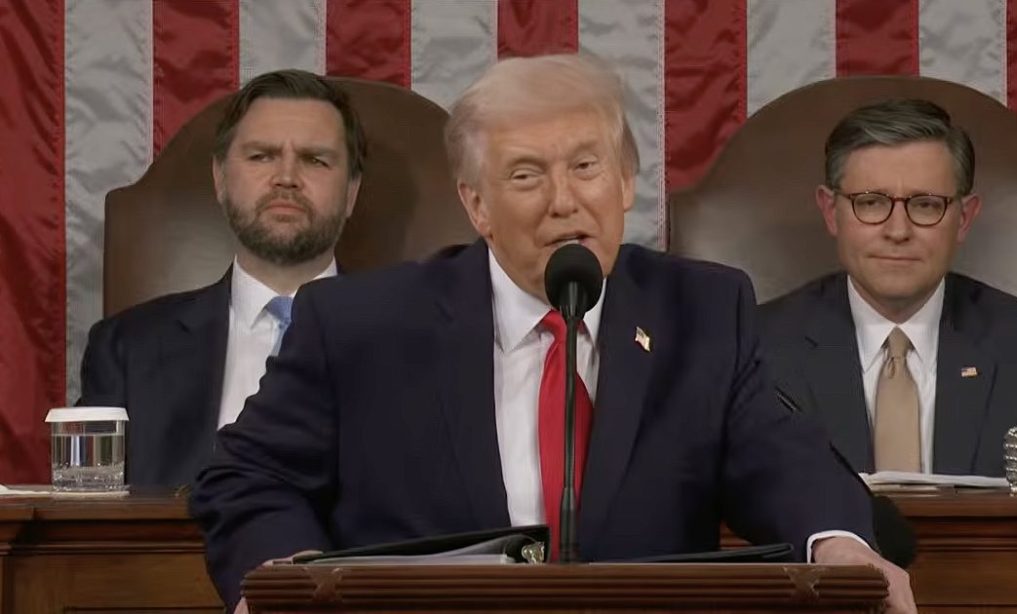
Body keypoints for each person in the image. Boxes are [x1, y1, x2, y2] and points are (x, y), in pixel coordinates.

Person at [190, 55, 916, 613]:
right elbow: (248, 477)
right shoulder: (362, 324)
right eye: (526, 175)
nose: (564, 201)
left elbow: (781, 459)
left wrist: (839, 544)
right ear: (477, 204)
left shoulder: (700, 312)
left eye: (586, 167)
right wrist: (288, 580)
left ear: (626, 182)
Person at [759, 98, 1017, 477]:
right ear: (830, 211)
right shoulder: (756, 352)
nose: (898, 231)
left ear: (964, 218)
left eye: (926, 205)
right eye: (870, 203)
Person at [76, 69, 365, 488]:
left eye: (314, 159)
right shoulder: (126, 350)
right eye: (261, 156)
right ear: (220, 179)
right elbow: (86, 515)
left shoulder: (417, 342)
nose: (286, 177)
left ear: (352, 191)